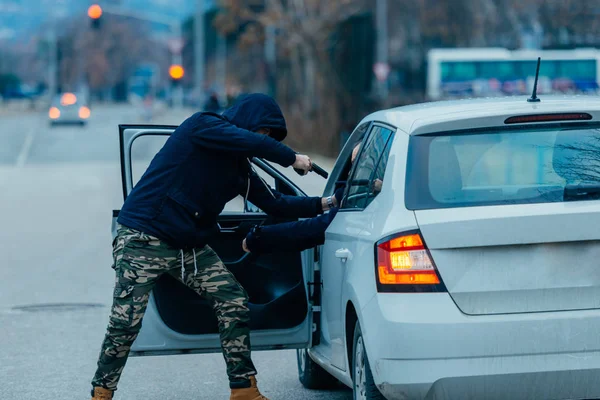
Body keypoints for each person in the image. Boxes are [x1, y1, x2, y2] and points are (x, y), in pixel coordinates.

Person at [90, 93, 337, 400]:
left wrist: (325, 204)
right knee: (125, 323)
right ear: (247, 121)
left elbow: (277, 204)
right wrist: (292, 157)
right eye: (263, 131)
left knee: (233, 300)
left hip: (187, 246)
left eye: (270, 136)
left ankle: (244, 389)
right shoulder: (203, 126)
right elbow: (253, 143)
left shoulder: (239, 172)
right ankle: (102, 392)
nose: (264, 138)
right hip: (144, 237)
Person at [242, 144, 382, 254]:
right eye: (351, 166)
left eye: (356, 166)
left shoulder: (357, 209)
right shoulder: (370, 200)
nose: (351, 173)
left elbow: (308, 230)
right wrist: (333, 200)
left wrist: (260, 238)